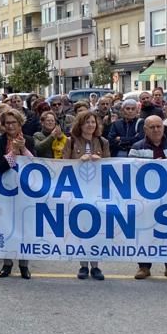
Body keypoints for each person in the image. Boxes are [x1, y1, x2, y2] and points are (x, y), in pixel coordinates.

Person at [129, 115, 167, 281]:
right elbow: (130, 172)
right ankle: (144, 267)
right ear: (145, 129)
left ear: (163, 127)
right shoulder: (137, 147)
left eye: (158, 126)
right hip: (146, 198)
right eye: (152, 127)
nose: (156, 130)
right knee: (145, 231)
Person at [64, 111, 109, 281]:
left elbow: (111, 166)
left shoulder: (103, 142)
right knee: (81, 228)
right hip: (78, 191)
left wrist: (101, 160)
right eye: (87, 122)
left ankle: (96, 266)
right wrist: (78, 161)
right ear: (80, 125)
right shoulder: (71, 141)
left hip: (97, 191)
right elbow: (62, 166)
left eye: (93, 122)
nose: (91, 125)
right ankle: (83, 265)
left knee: (96, 229)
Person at [0, 109, 33, 279]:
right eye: (7, 123)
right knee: (6, 224)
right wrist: (13, 152)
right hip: (5, 191)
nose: (10, 126)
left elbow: (34, 164)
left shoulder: (28, 140)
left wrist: (23, 150)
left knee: (25, 225)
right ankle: (7, 264)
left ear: (19, 123)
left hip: (24, 189)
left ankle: (24, 265)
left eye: (13, 122)